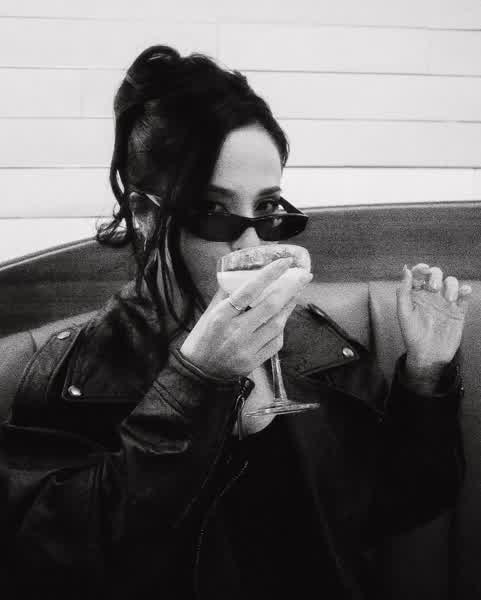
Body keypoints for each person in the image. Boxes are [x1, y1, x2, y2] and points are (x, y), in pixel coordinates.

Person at [2, 45, 472, 600]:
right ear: (146, 215)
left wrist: (424, 377)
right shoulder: (74, 379)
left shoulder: (319, 348)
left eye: (267, 209)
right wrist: (196, 384)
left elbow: (396, 505)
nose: (251, 242)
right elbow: (59, 560)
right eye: (214, 211)